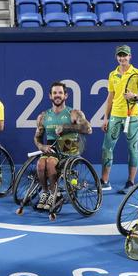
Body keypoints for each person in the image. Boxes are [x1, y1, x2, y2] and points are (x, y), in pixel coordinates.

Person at [33, 82, 92, 210]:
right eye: (54, 93)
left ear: (66, 96)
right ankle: (45, 192)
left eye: (60, 93)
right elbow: (37, 138)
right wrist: (41, 147)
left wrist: (66, 127)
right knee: (40, 163)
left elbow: (88, 129)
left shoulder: (74, 113)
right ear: (50, 96)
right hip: (51, 147)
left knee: (49, 162)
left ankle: (56, 193)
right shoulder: (43, 116)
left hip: (69, 146)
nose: (57, 95)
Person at [101, 44, 138, 194]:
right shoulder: (112, 74)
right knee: (106, 148)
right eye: (120, 55)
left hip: (133, 117)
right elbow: (110, 97)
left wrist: (134, 96)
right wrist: (106, 117)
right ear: (117, 57)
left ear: (130, 57)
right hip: (115, 116)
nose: (122, 58)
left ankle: (130, 182)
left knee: (132, 149)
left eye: (125, 55)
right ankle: (104, 181)